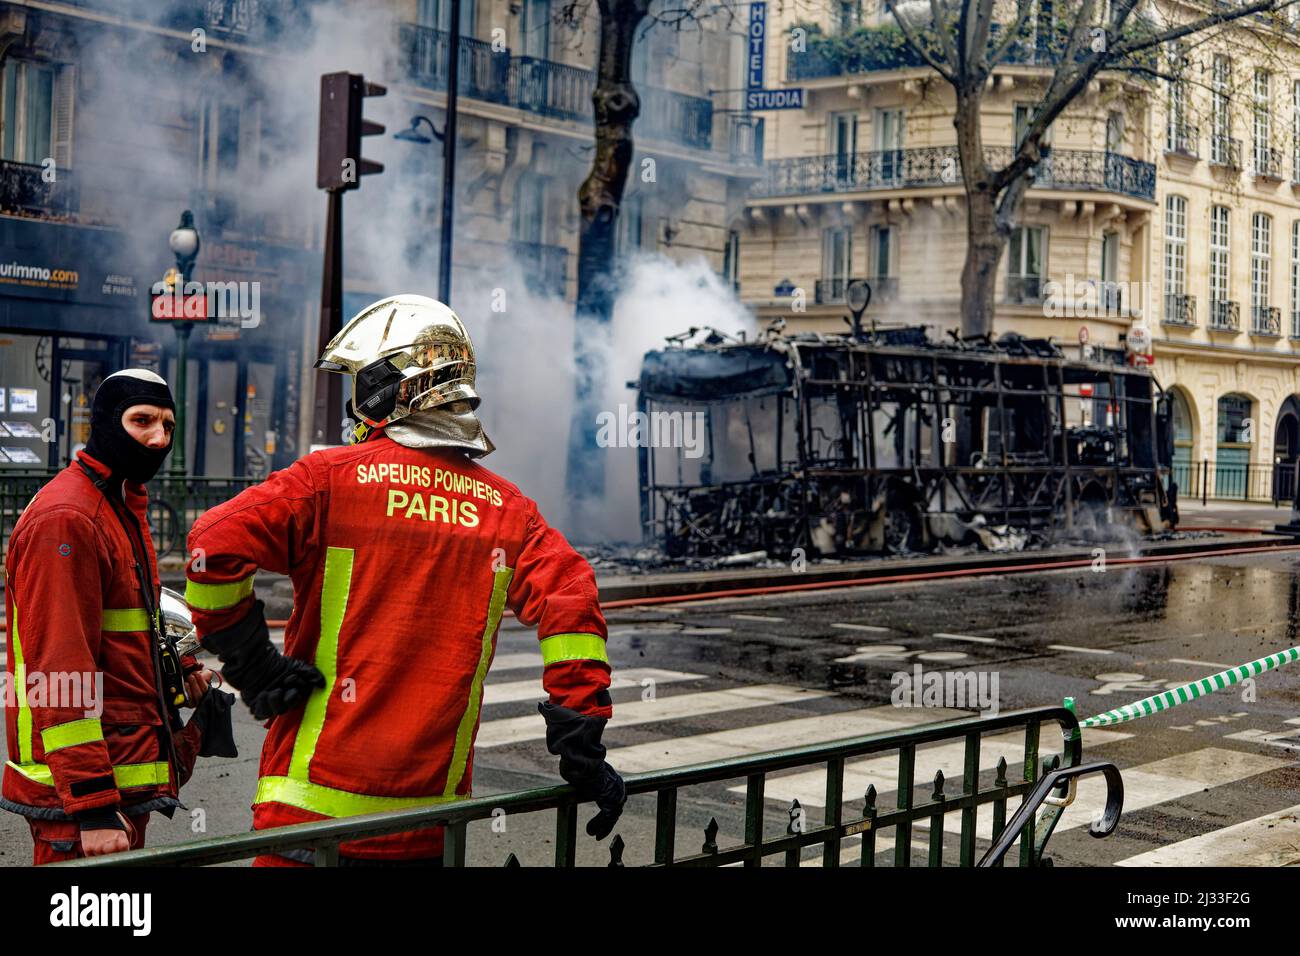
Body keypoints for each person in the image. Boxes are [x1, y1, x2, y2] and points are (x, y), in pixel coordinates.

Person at [185, 294, 625, 865]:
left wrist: (249, 660)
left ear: (385, 389)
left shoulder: (328, 480)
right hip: (427, 825)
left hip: (306, 821)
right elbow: (573, 605)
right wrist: (581, 743)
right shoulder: (508, 511)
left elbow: (211, 545)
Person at [2, 370, 232, 863]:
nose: (159, 438)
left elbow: (134, 622)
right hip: (83, 798)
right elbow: (60, 668)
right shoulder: (69, 518)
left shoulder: (115, 503)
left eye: (169, 426)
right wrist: (92, 805)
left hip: (118, 775)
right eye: (142, 420)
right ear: (106, 423)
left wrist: (185, 668)